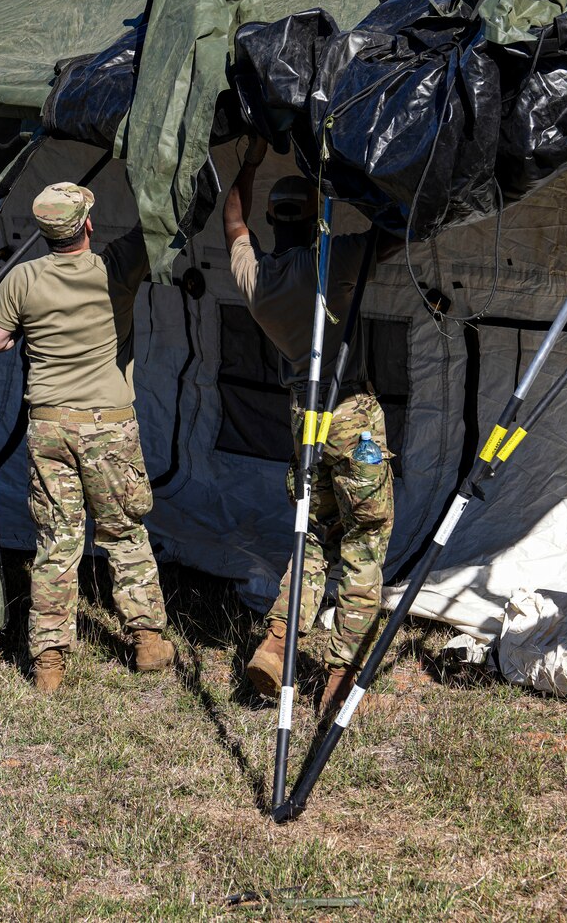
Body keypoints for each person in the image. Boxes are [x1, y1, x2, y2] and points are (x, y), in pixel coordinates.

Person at [0, 182, 175, 693]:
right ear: (88, 224)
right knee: (123, 532)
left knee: (56, 541)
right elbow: (164, 220)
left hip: (48, 426)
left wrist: (22, 332)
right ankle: (147, 641)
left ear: (44, 231)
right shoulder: (116, 265)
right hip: (108, 427)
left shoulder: (23, 278)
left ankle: (48, 663)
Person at [224, 142, 398, 709]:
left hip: (304, 418)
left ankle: (278, 640)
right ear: (316, 217)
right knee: (365, 537)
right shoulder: (332, 261)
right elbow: (398, 229)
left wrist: (250, 164)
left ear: (272, 220)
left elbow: (233, 223)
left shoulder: (256, 280)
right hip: (350, 413)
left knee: (314, 534)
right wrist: (358, 181)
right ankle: (340, 670)